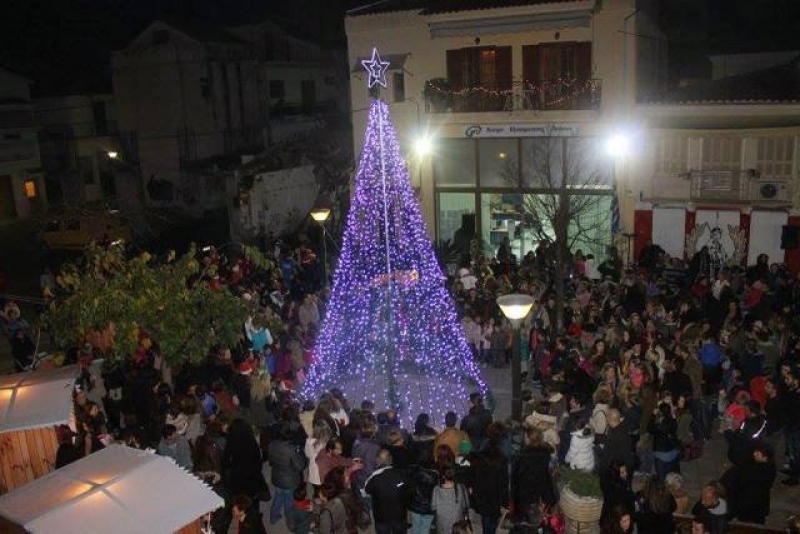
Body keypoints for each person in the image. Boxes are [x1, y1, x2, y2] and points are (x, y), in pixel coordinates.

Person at [721, 442, 776, 525]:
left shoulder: (767, 470)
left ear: (765, 458)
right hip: (744, 495)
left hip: (751, 500)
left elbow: (753, 484)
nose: (754, 454)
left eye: (758, 453)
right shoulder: (753, 462)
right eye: (755, 451)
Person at [468, 423, 509, 534]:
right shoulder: (503, 455)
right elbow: (504, 481)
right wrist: (506, 500)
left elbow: (474, 472)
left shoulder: (482, 452)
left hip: (482, 490)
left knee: (486, 519)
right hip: (495, 493)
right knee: (492, 521)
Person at [512, 428, 556, 522]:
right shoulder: (545, 453)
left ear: (528, 439)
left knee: (527, 517)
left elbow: (515, 476)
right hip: (541, 491)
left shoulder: (522, 456)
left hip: (526, 492)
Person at [268, 422, 307, 526]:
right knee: (289, 503)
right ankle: (290, 523)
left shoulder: (272, 444)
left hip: (276, 478)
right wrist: (302, 455)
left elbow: (271, 462)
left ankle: (273, 517)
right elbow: (300, 466)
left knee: (278, 497)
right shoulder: (292, 449)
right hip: (289, 481)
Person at [364, 449, 411, 534]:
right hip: (400, 516)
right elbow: (408, 492)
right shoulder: (402, 475)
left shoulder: (374, 478)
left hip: (381, 517)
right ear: (391, 459)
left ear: (377, 461)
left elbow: (366, 491)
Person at [432, 467, 470, 534]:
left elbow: (433, 506)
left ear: (443, 476)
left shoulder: (437, 489)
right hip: (457, 523)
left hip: (442, 522)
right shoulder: (461, 487)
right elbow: (466, 505)